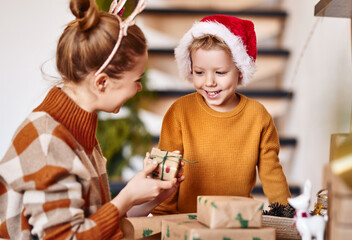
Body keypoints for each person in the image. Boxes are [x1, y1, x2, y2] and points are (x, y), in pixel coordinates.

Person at [0, 0, 184, 239]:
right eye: (136, 79)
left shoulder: (76, 131)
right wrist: (126, 196)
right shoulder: (48, 140)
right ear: (102, 82)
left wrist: (149, 199)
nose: (139, 88)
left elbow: (93, 223)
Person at [152, 15, 291, 215]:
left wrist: (287, 215)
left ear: (240, 71)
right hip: (186, 222)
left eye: (220, 73)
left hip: (237, 221)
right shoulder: (179, 112)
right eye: (199, 72)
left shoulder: (258, 116)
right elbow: (167, 171)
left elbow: (272, 172)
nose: (209, 82)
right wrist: (160, 220)